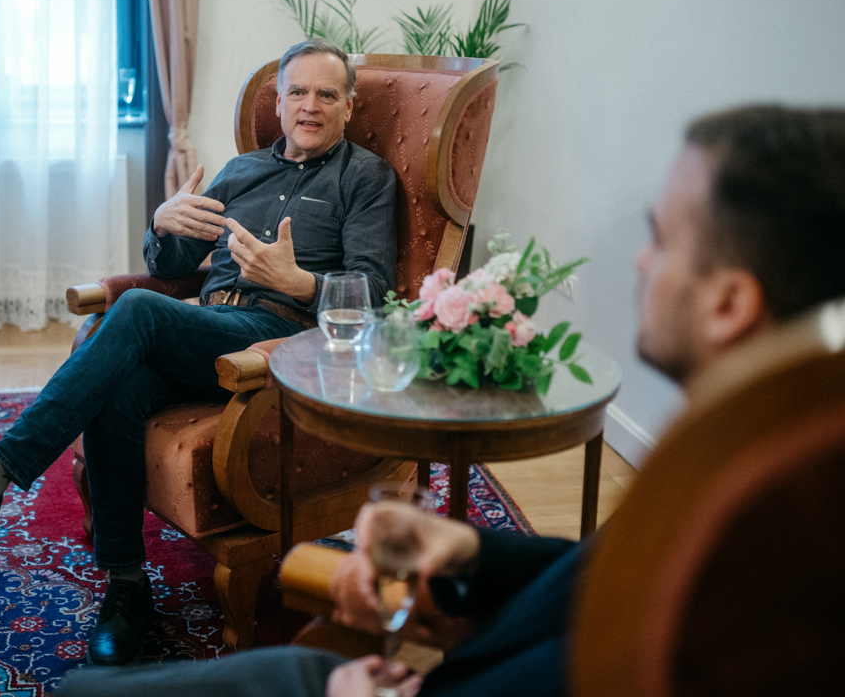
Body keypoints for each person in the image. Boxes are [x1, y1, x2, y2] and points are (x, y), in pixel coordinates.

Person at [50, 104, 845, 696]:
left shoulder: (778, 532)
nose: (640, 264)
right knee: (124, 373)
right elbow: (613, 578)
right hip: (395, 660)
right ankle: (122, 580)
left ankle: (5, 473)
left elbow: (370, 291)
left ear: (730, 303)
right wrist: (471, 553)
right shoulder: (752, 465)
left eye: (663, 240)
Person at [0, 38, 398, 666]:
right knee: (118, 389)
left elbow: (375, 295)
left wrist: (296, 283)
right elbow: (173, 265)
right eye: (297, 91)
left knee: (133, 309)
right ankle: (127, 584)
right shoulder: (241, 171)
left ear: (349, 105)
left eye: (326, 94)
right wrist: (162, 224)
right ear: (278, 101)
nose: (310, 105)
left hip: (280, 340)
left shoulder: (366, 178)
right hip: (206, 331)